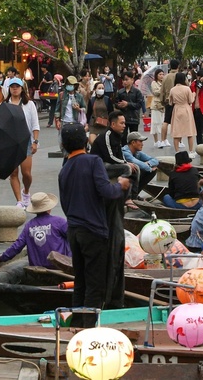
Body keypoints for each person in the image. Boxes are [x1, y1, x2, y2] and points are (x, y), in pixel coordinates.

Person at [59, 122, 130, 325]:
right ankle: (89, 329)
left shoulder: (65, 169)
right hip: (93, 232)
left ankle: (76, 324)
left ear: (64, 144)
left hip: (74, 231)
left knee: (80, 281)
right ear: (85, 141)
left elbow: (65, 204)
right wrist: (121, 186)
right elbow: (106, 191)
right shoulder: (93, 161)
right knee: (95, 284)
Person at [0, 192, 71, 268]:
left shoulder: (29, 225)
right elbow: (74, 238)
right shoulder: (59, 222)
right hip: (60, 266)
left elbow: (17, 246)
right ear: (49, 208)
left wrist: (1, 257)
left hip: (37, 266)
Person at [5, 77, 40, 208]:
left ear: (21, 88)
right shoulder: (5, 104)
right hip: (10, 142)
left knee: (26, 173)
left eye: (17, 86)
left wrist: (35, 141)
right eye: (12, 86)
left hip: (25, 141)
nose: (14, 89)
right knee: (13, 173)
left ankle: (26, 191)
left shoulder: (29, 104)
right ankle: (19, 200)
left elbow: (35, 125)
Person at [54, 75, 87, 150]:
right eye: (68, 84)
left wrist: (79, 109)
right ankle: (66, 157)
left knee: (74, 143)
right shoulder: (62, 95)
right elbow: (57, 109)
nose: (69, 86)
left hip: (75, 122)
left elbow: (85, 108)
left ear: (75, 86)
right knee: (63, 142)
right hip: (64, 122)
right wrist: (57, 120)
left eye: (71, 85)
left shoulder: (79, 96)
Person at [169, 72, 197, 157]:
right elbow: (190, 100)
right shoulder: (187, 88)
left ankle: (177, 151)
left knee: (176, 132)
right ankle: (191, 151)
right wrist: (193, 95)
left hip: (177, 109)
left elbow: (170, 102)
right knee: (189, 131)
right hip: (186, 109)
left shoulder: (172, 89)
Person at [159, 59, 180, 147]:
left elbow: (162, 90)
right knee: (179, 121)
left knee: (166, 121)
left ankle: (163, 140)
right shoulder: (180, 76)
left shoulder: (166, 77)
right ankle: (179, 141)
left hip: (168, 101)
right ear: (178, 66)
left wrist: (162, 101)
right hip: (179, 101)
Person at [150, 70, 165, 147]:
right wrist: (163, 89)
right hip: (156, 105)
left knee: (163, 123)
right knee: (155, 123)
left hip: (163, 104)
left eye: (163, 74)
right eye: (160, 74)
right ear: (156, 75)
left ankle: (163, 139)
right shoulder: (154, 83)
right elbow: (155, 92)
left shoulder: (164, 82)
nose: (161, 76)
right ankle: (156, 141)